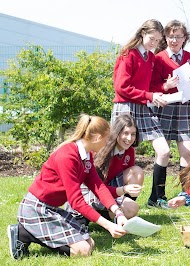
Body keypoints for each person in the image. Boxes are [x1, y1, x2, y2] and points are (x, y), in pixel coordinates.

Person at [7, 114, 127, 260]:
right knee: (83, 250)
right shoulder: (68, 156)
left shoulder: (86, 155)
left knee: (91, 244)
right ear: (96, 138)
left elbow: (98, 186)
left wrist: (118, 212)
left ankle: (31, 233)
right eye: (107, 138)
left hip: (51, 209)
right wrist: (108, 225)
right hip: (36, 209)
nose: (108, 143)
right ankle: (22, 233)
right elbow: (76, 201)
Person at [111, 19, 171, 209]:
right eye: (151, 39)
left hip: (143, 106)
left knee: (164, 150)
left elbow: (150, 87)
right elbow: (121, 87)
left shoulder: (151, 58)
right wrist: (149, 95)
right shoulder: (128, 54)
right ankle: (114, 200)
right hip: (126, 106)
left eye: (157, 41)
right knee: (116, 154)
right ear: (142, 33)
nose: (154, 43)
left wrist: (163, 88)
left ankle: (156, 197)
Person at [65, 114, 144, 225]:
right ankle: (109, 214)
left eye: (133, 134)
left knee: (137, 172)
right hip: (91, 192)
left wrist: (124, 191)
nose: (129, 138)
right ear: (117, 133)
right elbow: (97, 187)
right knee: (131, 208)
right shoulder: (100, 150)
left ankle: (118, 215)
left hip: (108, 188)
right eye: (125, 133)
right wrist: (123, 190)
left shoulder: (129, 151)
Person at [150, 19, 190, 173]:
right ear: (165, 37)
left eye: (178, 36)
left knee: (187, 152)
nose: (174, 40)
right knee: (163, 152)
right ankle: (157, 195)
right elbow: (151, 87)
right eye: (171, 36)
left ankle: (185, 194)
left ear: (184, 38)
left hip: (186, 107)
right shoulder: (158, 58)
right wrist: (166, 86)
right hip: (165, 106)